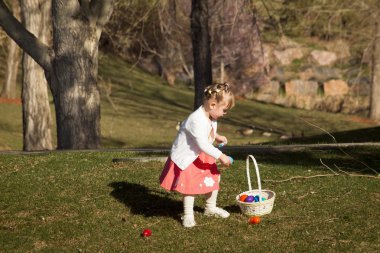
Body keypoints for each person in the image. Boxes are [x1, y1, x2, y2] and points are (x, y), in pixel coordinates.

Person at [159, 82, 235, 228]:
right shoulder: (196, 119)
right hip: (189, 157)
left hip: (201, 155)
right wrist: (221, 156)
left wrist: (217, 136)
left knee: (213, 178)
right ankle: (188, 214)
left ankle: (210, 207)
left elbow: (207, 131)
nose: (225, 113)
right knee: (190, 185)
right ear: (212, 105)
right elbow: (202, 144)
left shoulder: (210, 116)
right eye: (224, 110)